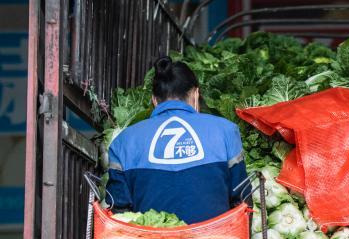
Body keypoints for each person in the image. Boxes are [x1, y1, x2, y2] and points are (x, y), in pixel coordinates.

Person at [106, 56, 249, 224]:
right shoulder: (226, 130)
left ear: (154, 100)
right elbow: (242, 201)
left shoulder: (123, 142)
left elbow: (119, 211)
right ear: (195, 94)